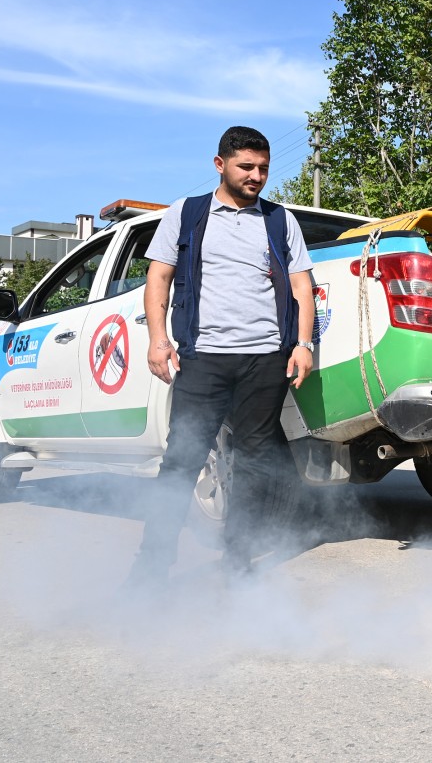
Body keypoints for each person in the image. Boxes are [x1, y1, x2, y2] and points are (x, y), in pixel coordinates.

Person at [124, 125, 316, 588]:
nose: (256, 176)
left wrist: (303, 345)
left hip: (264, 359)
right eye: (246, 167)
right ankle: (150, 569)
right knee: (181, 460)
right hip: (203, 358)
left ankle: (237, 565)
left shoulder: (278, 219)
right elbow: (159, 278)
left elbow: (301, 286)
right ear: (220, 164)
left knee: (252, 464)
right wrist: (158, 339)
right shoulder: (187, 214)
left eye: (263, 169)